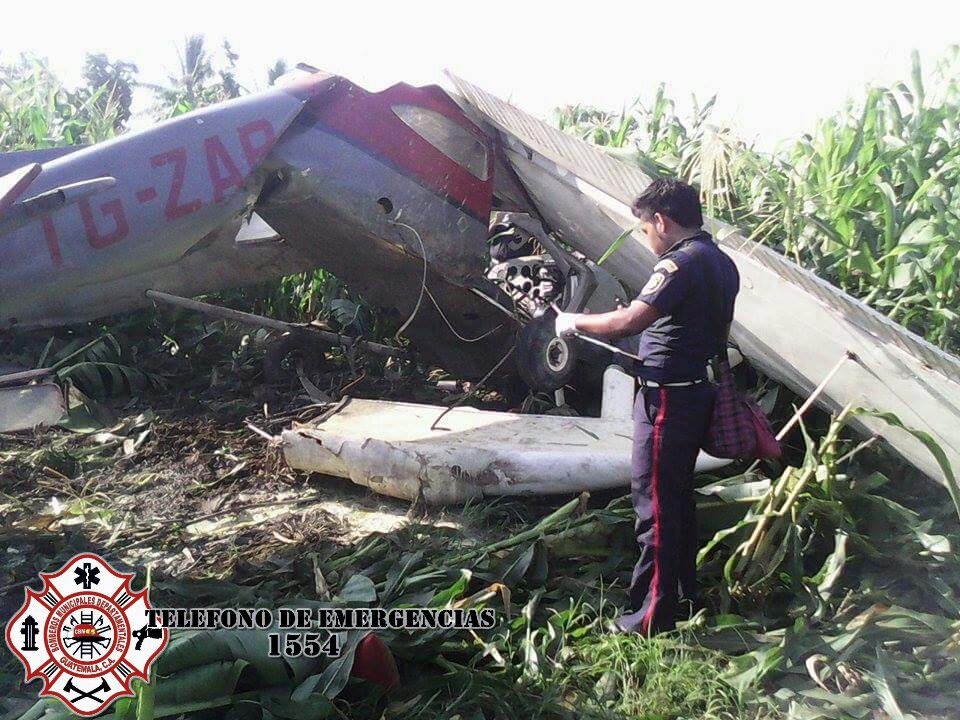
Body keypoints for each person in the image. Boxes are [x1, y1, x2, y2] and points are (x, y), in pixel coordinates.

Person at [554, 178, 740, 634]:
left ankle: (648, 618)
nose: (647, 237)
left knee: (655, 505)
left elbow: (627, 322)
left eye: (644, 228)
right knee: (677, 501)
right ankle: (685, 597)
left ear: (661, 220)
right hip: (693, 390)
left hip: (667, 400)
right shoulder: (722, 263)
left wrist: (572, 320)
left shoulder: (679, 264)